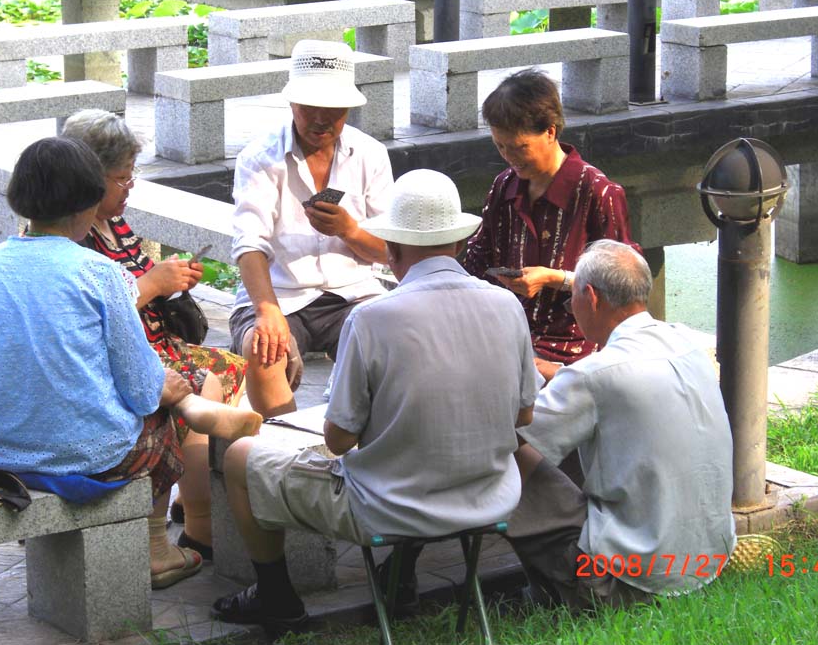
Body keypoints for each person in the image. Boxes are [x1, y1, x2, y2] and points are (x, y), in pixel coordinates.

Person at [211, 170, 540, 637]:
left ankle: (276, 597)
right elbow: (524, 415)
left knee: (241, 455)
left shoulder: (371, 318)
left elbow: (339, 439)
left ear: (392, 249)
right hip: (490, 497)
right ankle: (399, 574)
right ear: (459, 244)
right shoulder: (507, 306)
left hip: (390, 507)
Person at [0, 137, 262, 590]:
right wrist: (165, 387)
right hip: (93, 455)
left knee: (157, 385)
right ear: (88, 203)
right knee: (160, 403)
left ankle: (198, 407)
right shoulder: (98, 272)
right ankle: (158, 550)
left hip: (5, 448)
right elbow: (140, 388)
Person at [507, 240, 736, 612]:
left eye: (572, 301)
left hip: (634, 578)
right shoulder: (686, 342)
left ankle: (558, 590)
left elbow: (515, 431)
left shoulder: (591, 376)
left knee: (505, 453)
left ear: (591, 298)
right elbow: (615, 383)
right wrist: (557, 373)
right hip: (708, 563)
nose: (573, 309)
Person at [62, 109, 250, 560]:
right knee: (200, 385)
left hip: (155, 343)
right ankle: (190, 526)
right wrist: (154, 284)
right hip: (125, 357)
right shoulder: (71, 235)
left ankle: (196, 501)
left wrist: (172, 278)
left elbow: (137, 280)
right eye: (121, 179)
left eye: (132, 177)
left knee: (233, 367)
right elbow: (88, 314)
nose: (130, 188)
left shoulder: (114, 222)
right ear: (88, 177)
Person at [229, 39, 393, 418]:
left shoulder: (371, 154)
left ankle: (363, 441)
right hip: (280, 294)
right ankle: (286, 445)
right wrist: (267, 311)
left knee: (396, 340)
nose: (321, 119)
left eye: (333, 109)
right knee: (262, 347)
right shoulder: (259, 158)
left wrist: (350, 231)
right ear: (292, 103)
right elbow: (249, 242)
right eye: (310, 107)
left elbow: (390, 251)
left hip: (353, 293)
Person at [463, 68, 638, 382]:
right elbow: (477, 260)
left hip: (575, 349)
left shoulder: (598, 192)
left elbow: (626, 288)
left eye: (519, 148)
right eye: (501, 147)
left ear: (551, 132)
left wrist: (554, 279)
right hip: (507, 336)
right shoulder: (504, 186)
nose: (510, 158)